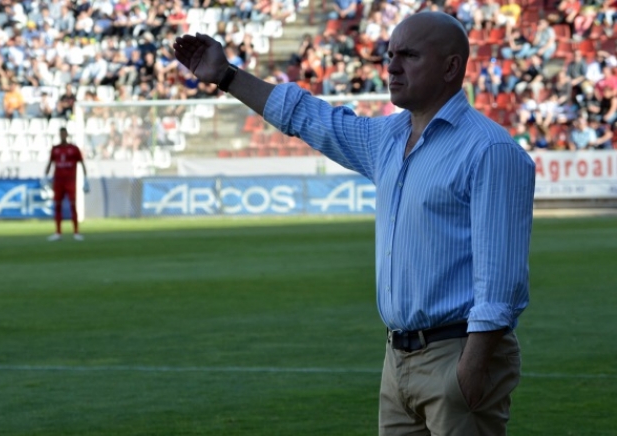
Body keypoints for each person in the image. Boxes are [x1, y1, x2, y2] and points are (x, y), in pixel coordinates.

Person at [173, 11, 535, 436]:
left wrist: (470, 370)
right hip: (398, 357)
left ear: (451, 67)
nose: (392, 66)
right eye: (389, 54)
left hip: (457, 356)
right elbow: (307, 117)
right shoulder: (388, 137)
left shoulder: (490, 150)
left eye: (409, 55)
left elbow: (501, 282)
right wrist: (228, 76)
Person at [44, 127, 89, 241]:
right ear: (60, 135)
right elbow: (50, 163)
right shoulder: (55, 149)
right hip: (58, 181)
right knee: (57, 206)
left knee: (73, 206)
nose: (63, 136)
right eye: (61, 134)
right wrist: (45, 177)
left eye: (64, 134)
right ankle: (58, 232)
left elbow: (82, 163)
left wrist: (86, 179)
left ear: (67, 135)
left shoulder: (74, 149)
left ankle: (76, 232)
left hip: (70, 181)